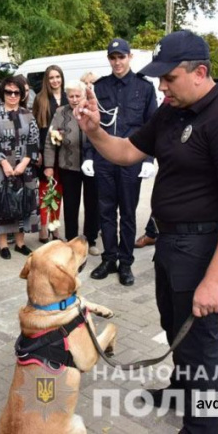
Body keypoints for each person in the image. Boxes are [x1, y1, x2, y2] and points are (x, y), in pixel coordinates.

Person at [75, 30, 218, 433]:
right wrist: (94, 131)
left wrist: (214, 281)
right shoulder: (172, 109)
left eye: (169, 78)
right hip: (171, 244)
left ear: (200, 72)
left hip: (204, 248)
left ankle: (202, 426)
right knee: (172, 325)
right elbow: (127, 151)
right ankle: (181, 388)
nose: (162, 86)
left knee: (199, 342)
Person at [85, 38, 158, 286]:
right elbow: (90, 123)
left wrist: (149, 158)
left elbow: (152, 126)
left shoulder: (144, 88)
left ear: (130, 57)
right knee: (105, 211)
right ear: (109, 59)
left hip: (132, 159)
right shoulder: (100, 87)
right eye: (113, 58)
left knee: (127, 213)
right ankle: (109, 258)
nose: (117, 62)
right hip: (105, 158)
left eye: (121, 57)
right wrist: (89, 155)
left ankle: (125, 262)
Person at [0, 76, 40, 259]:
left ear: (22, 94)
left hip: (25, 167)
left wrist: (23, 163)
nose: (12, 95)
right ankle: (3, 244)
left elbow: (34, 140)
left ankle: (21, 243)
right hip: (0, 167)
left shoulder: (28, 115)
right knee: (2, 202)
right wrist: (5, 163)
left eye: (16, 92)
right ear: (3, 93)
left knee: (23, 202)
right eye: (9, 92)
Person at [43, 79, 100, 254]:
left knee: (92, 203)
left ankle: (90, 240)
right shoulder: (61, 112)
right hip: (68, 166)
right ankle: (72, 239)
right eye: (71, 96)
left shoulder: (93, 111)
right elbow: (50, 141)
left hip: (93, 165)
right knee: (70, 205)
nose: (74, 99)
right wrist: (49, 166)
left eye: (78, 95)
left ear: (84, 95)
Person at [32, 65, 67, 242]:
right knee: (46, 189)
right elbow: (36, 128)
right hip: (47, 150)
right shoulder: (41, 99)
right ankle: (43, 226)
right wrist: (38, 152)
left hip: (67, 152)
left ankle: (55, 225)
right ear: (47, 80)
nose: (55, 81)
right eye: (51, 77)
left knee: (59, 190)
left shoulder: (69, 97)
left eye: (57, 77)